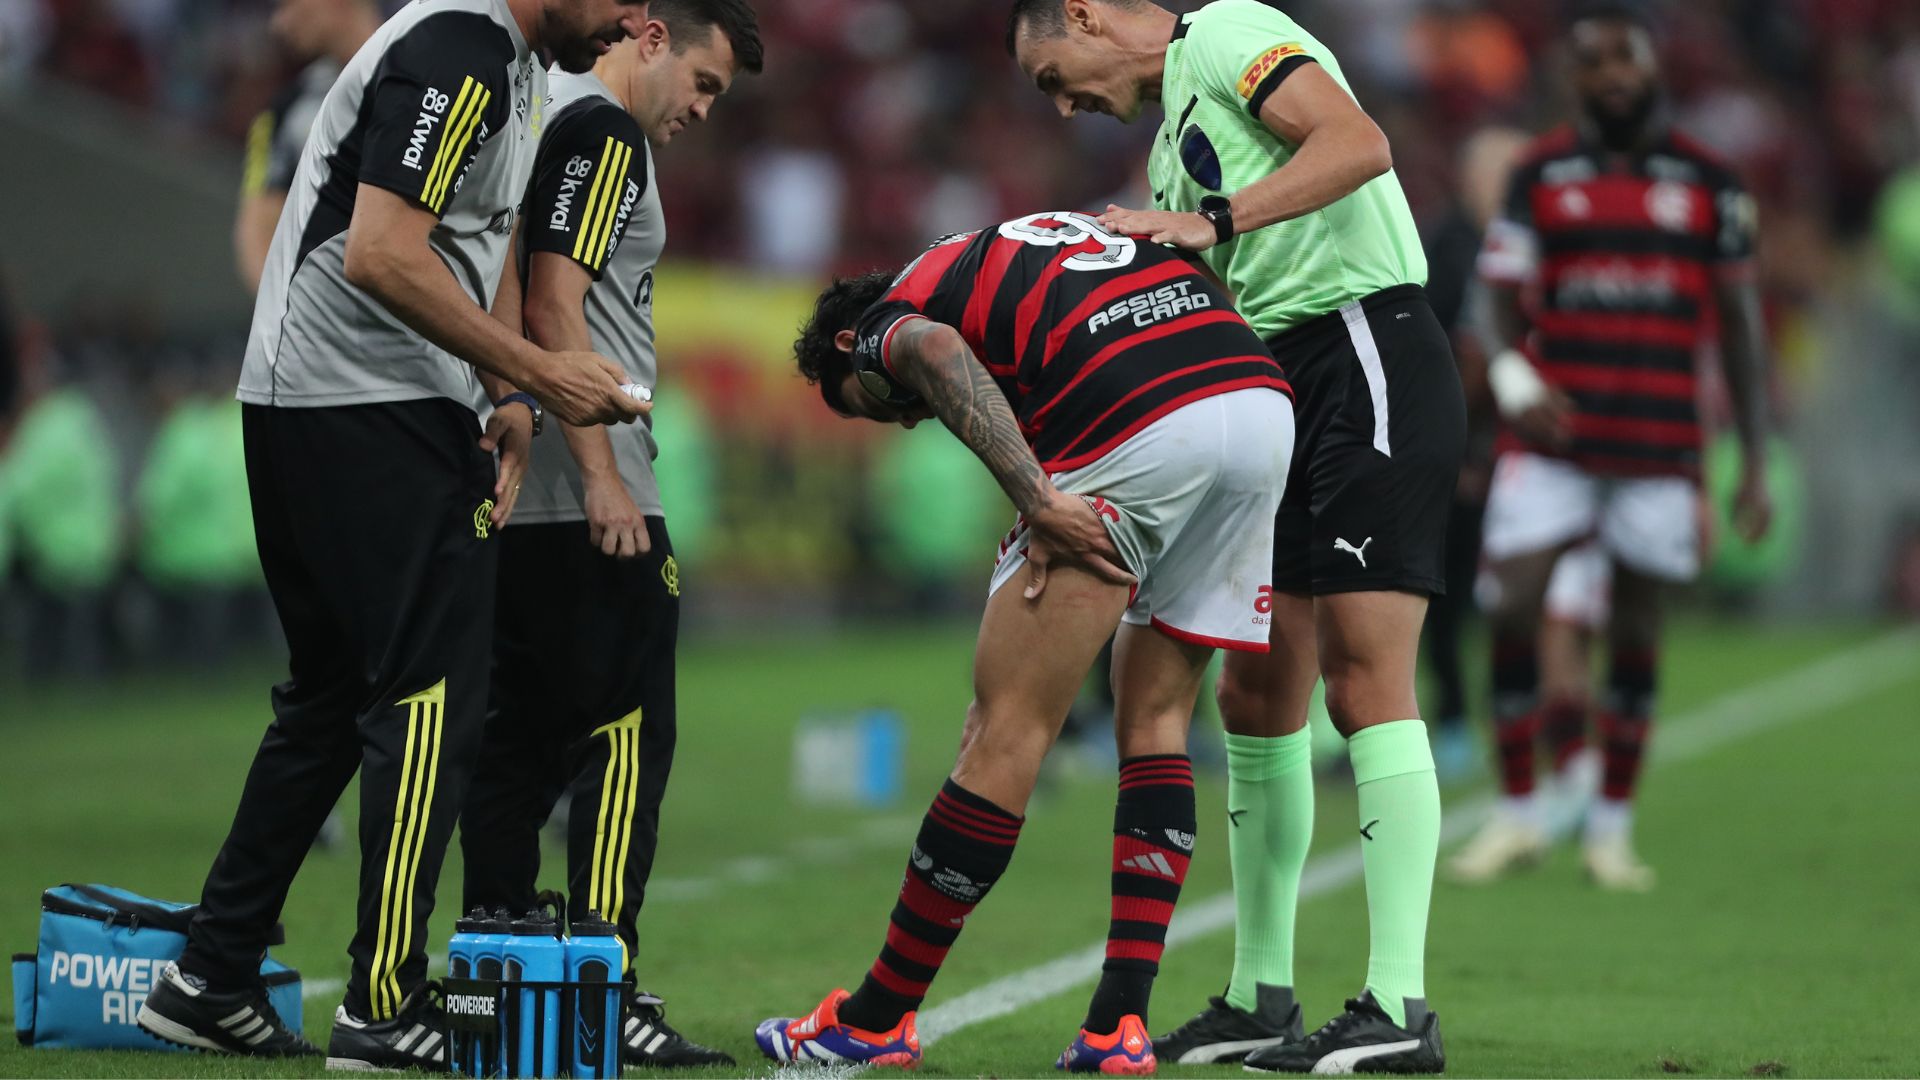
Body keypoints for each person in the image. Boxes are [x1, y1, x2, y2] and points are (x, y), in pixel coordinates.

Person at [135, 0, 651, 1067]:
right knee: (432, 696)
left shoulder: (505, 63)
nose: (635, 22)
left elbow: (485, 238)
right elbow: (379, 252)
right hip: (357, 402)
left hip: (333, 400)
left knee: (328, 698)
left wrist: (508, 381)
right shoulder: (456, 46)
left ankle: (211, 974)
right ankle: (382, 1002)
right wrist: (548, 370)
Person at [1009, 1, 1464, 1071]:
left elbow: (1357, 141)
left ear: (1084, 12)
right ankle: (1262, 992)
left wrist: (1214, 221)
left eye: (1054, 74)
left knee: (1365, 680)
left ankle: (1401, 1005)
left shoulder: (1221, 32)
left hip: (1364, 348)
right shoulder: (1171, 150)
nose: (1067, 104)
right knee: (1257, 693)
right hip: (1277, 389)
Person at [757, 212, 1294, 1073]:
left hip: (1144, 416)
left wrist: (1039, 497)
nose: (901, 424)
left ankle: (875, 1017)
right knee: (1156, 719)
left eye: (873, 409)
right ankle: (1118, 1028)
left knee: (1003, 730)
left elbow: (931, 355)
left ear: (851, 347)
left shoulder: (892, 316)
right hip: (1258, 406)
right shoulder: (1012, 247)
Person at [457, 0, 761, 1067]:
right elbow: (553, 301)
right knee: (630, 734)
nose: (703, 110)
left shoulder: (553, 117)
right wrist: (601, 474)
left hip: (528, 475)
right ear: (650, 38)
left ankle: (492, 973)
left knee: (521, 737)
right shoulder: (601, 131)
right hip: (590, 477)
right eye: (705, 82)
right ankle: (603, 980)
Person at [1455, 2, 1773, 892]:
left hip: (1660, 444)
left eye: (1625, 59)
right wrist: (1515, 379)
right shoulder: (1541, 171)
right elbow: (1494, 295)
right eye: (1594, 64)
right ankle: (1519, 812)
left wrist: (1749, 459)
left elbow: (1741, 324)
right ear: (1575, 79)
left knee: (1635, 631)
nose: (1612, 77)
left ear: (1653, 66)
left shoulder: (1713, 179)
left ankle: (1609, 829)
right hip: (1553, 438)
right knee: (1513, 605)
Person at [235, 0, 382, 294]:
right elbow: (256, 225)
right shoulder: (283, 111)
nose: (279, 24)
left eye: (288, 5)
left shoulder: (433, 84)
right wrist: (285, 315)